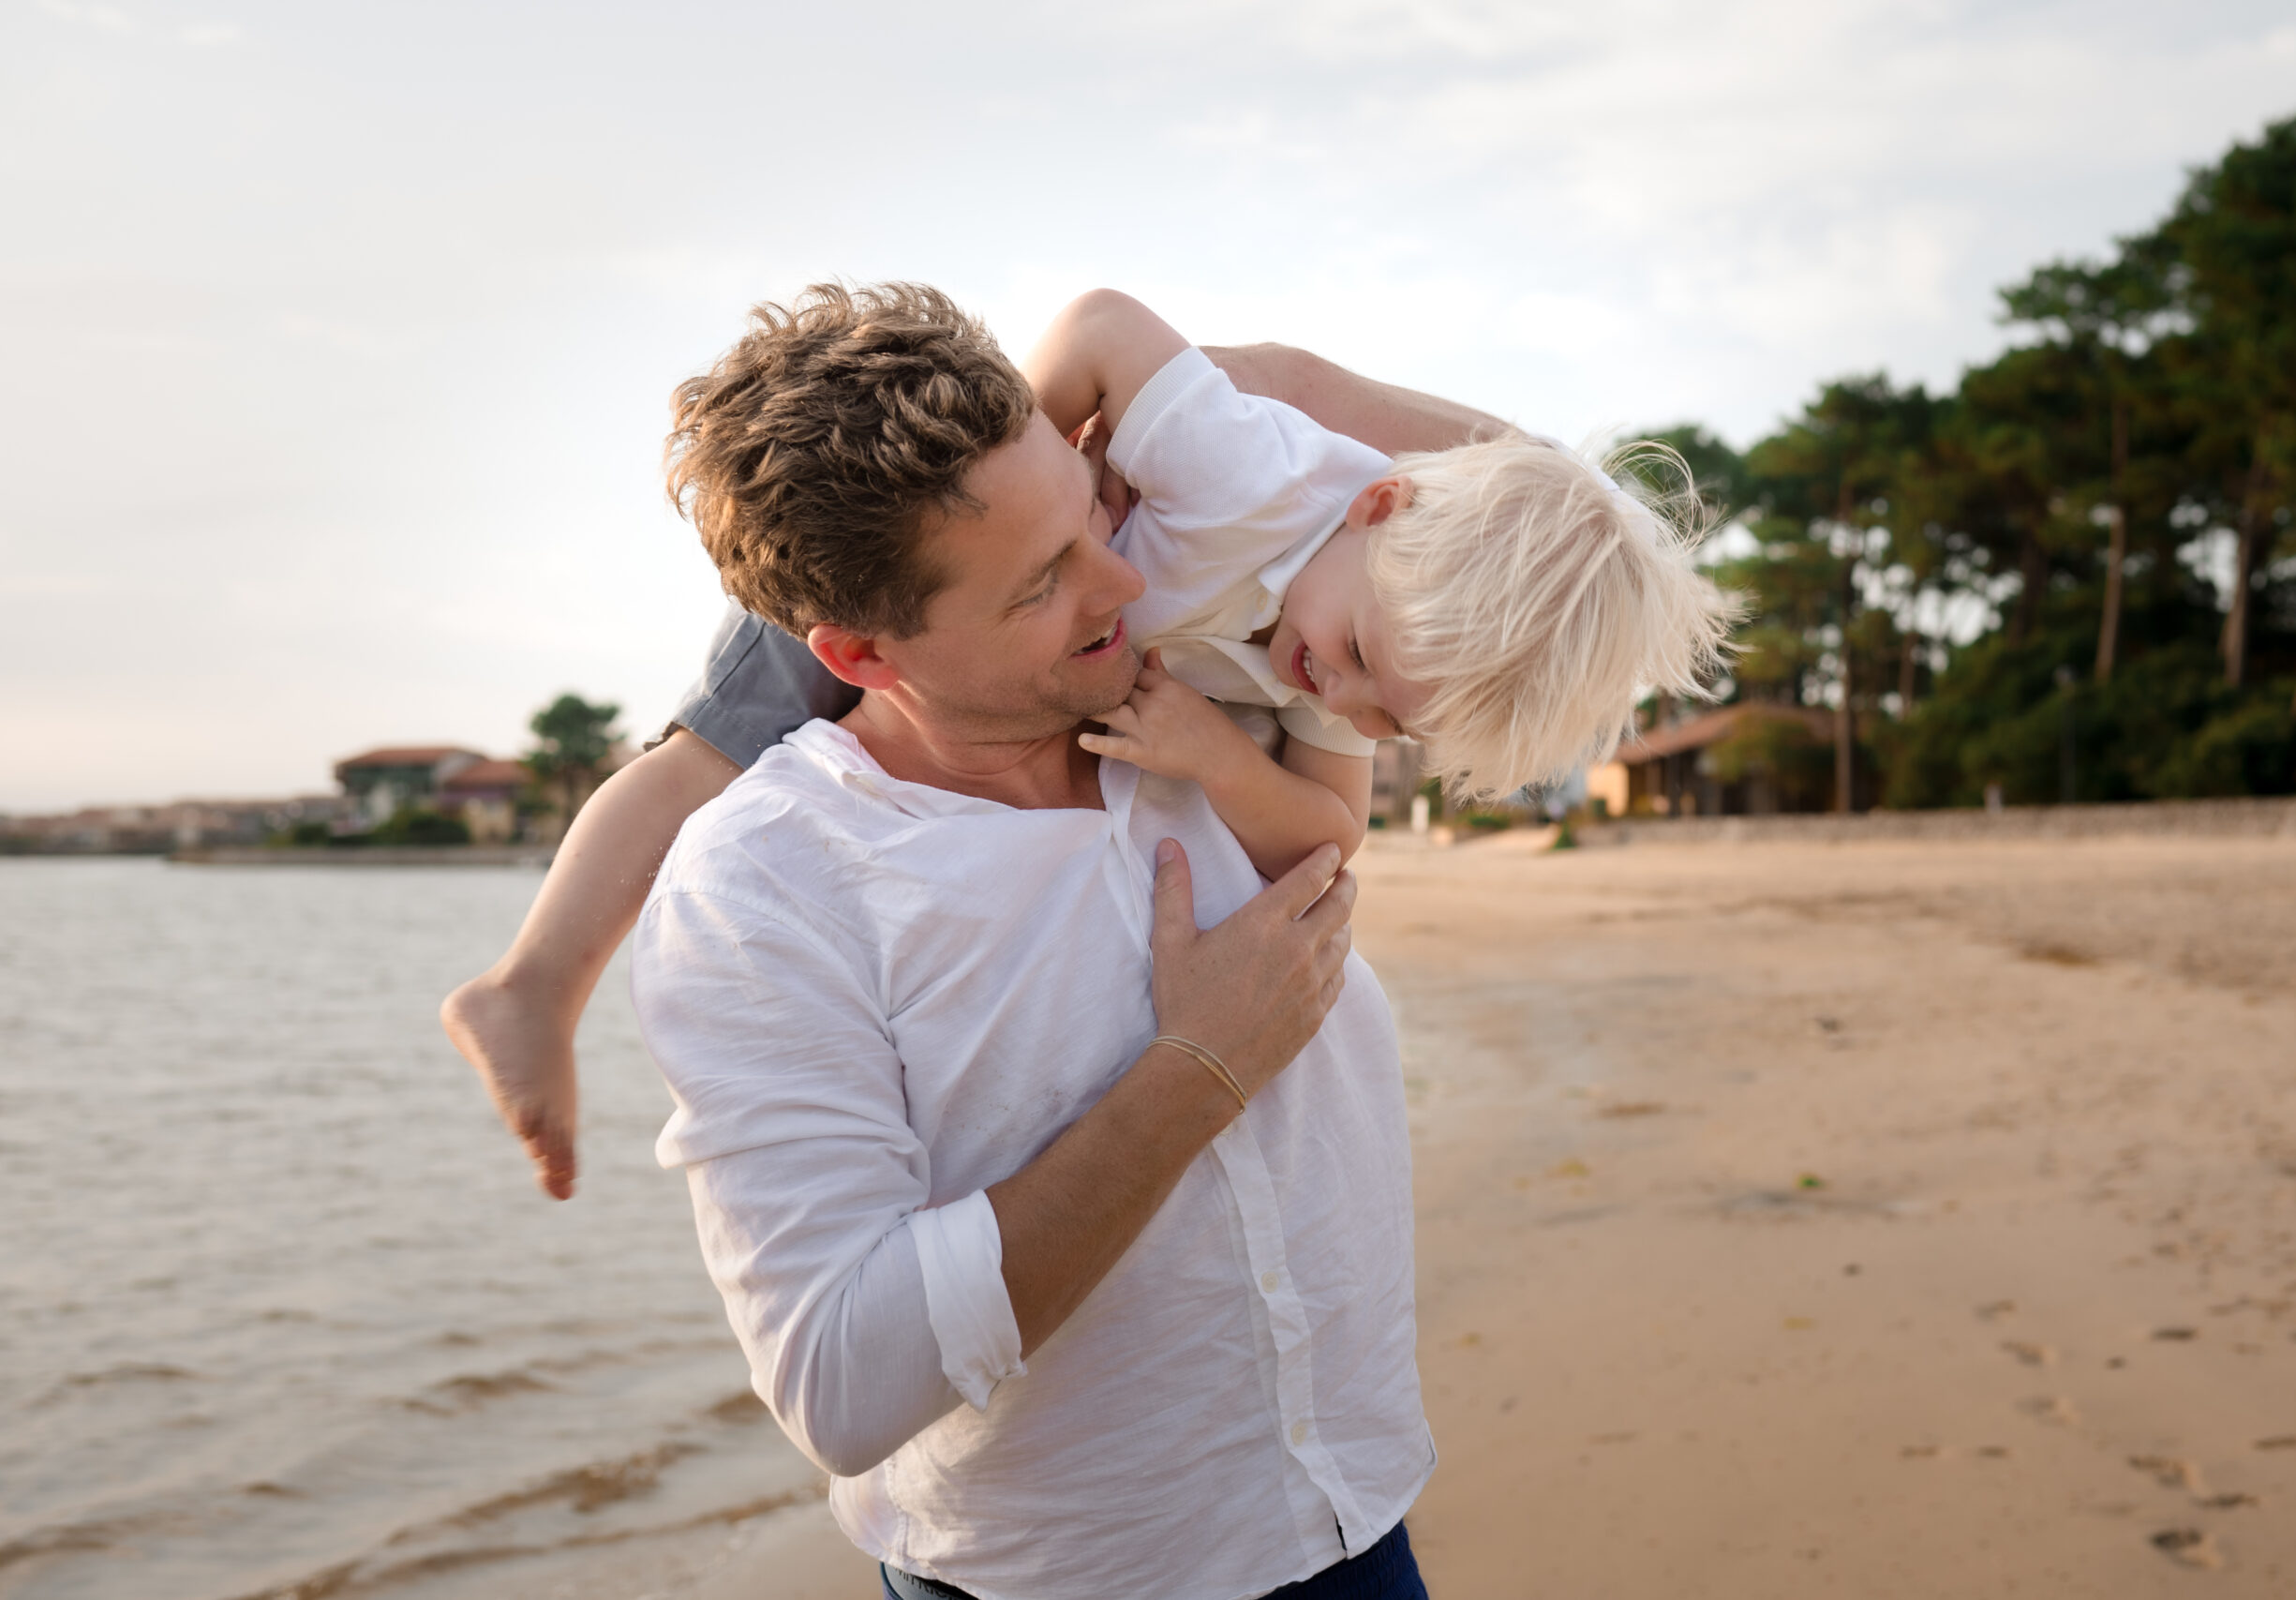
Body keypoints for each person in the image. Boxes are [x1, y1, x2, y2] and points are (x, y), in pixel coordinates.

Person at [445, 288, 1732, 1201]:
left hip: (1034, 621)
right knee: (695, 767)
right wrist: (1034, 475)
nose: (1343, 700)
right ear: (1378, 502)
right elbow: (1107, 328)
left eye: (1388, 720)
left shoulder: (1354, 645)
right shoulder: (1264, 474)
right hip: (929, 557)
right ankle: (535, 984)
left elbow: (1329, 838)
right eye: (1362, 670)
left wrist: (1220, 758)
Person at [630, 281, 1447, 1598]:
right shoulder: (769, 886)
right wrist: (1198, 1068)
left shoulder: (1218, 709)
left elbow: (1554, 511)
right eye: (1042, 582)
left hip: (1354, 1510)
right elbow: (839, 1378)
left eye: (1089, 511)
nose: (1127, 576)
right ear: (860, 650)